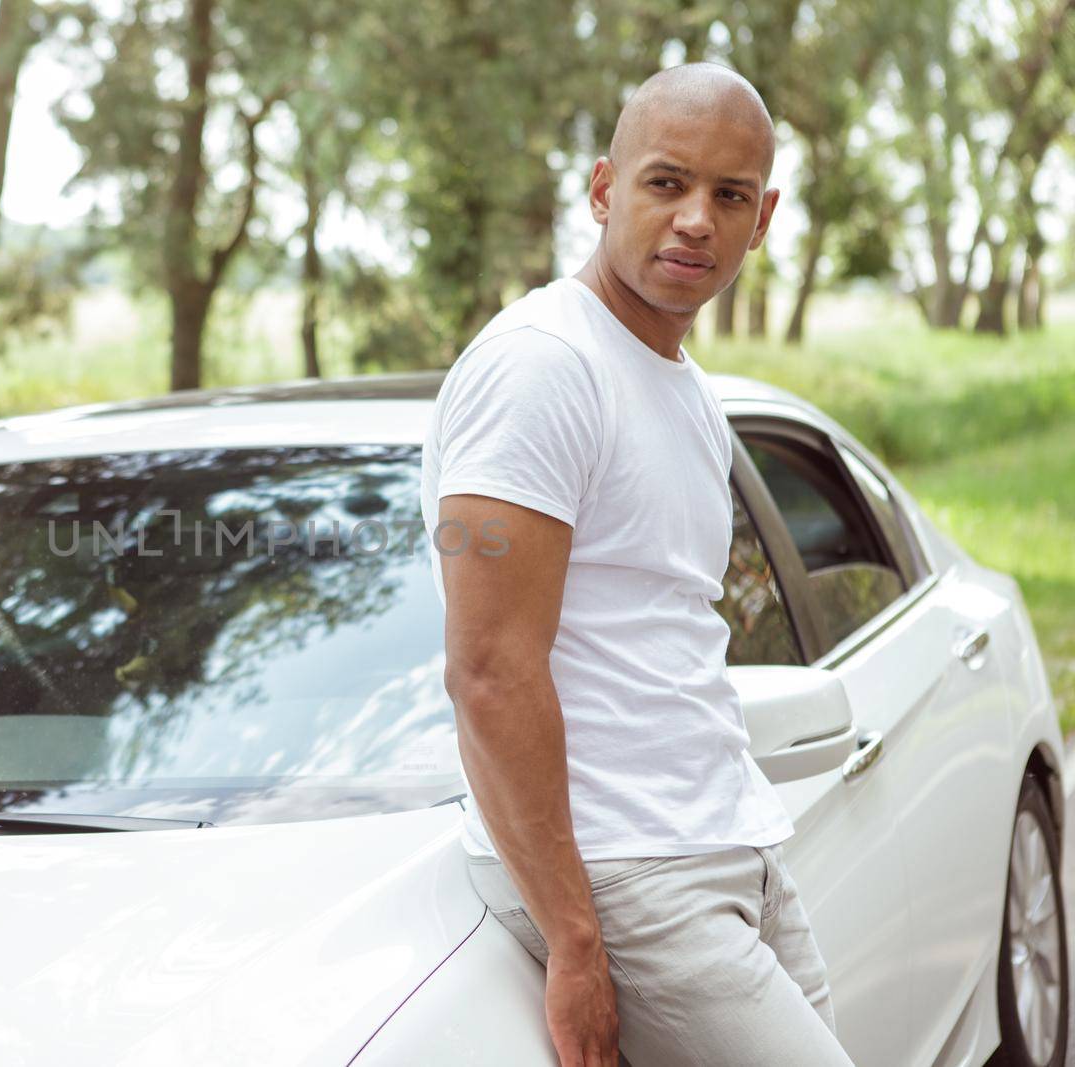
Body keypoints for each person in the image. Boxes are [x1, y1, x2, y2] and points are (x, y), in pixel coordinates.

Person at [418, 63, 855, 1066]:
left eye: (728, 195)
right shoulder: (542, 366)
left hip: (719, 839)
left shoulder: (679, 383)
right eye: (667, 183)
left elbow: (665, 635)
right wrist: (575, 938)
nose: (696, 219)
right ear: (605, 188)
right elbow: (486, 667)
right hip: (625, 872)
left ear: (763, 216)